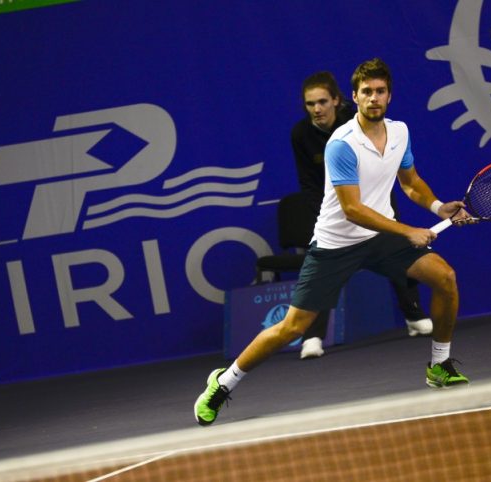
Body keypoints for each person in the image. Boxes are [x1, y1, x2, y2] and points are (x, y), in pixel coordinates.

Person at [195, 58, 472, 426]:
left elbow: (410, 182)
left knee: (445, 277)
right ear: (353, 97)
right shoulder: (342, 144)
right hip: (336, 244)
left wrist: (437, 207)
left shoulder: (400, 132)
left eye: (380, 91)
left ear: (390, 95)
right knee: (292, 328)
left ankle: (439, 365)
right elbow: (352, 210)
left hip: (380, 236)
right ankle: (223, 382)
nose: (374, 98)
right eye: (367, 92)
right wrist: (407, 230)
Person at [290, 71, 432, 359]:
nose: (317, 109)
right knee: (324, 275)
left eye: (322, 102)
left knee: (401, 253)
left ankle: (413, 315)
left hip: (376, 203)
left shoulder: (358, 122)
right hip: (336, 210)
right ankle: (313, 336)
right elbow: (309, 183)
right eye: (310, 104)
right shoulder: (301, 134)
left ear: (337, 101)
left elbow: (398, 174)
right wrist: (326, 216)